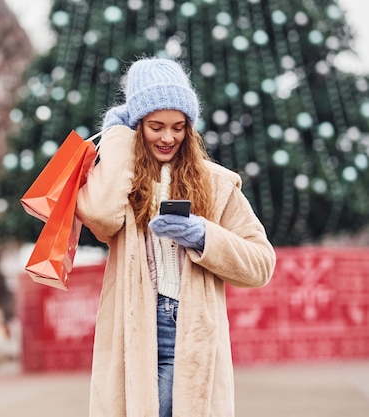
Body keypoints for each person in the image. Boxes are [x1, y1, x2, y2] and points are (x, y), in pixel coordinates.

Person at [75, 57, 276, 417]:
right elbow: (100, 215)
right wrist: (117, 139)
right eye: (155, 126)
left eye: (178, 127)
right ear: (138, 125)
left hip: (188, 327)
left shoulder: (217, 183)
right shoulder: (122, 181)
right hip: (132, 329)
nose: (168, 137)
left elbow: (261, 263)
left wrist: (204, 237)